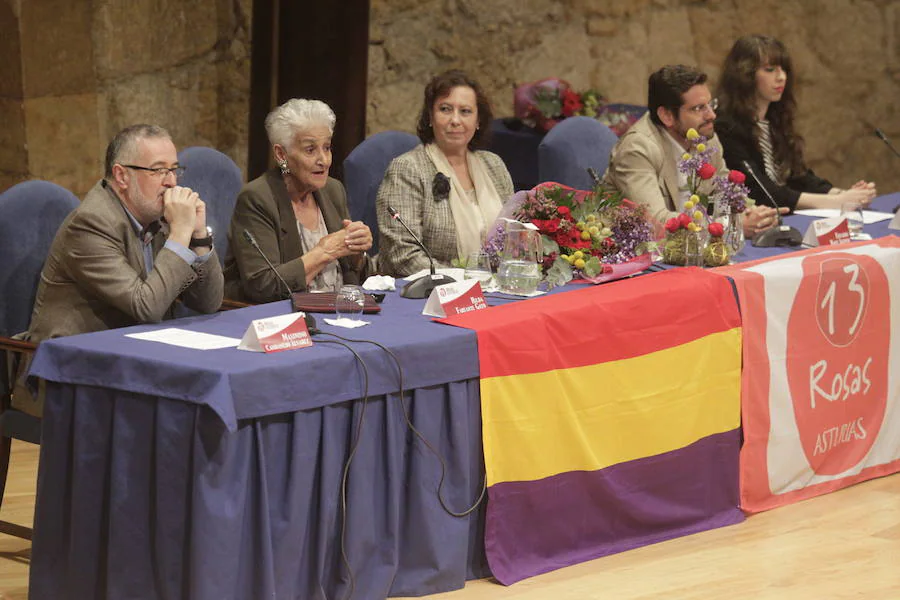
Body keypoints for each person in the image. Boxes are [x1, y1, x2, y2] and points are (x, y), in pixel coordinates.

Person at [18, 124, 224, 415]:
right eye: (158, 170)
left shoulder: (158, 215)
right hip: (72, 373)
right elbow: (147, 307)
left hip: (135, 360)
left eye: (174, 169)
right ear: (121, 175)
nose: (171, 182)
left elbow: (208, 302)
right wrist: (180, 232)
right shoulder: (90, 224)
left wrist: (199, 235)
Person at [603, 64, 783, 238]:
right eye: (698, 108)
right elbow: (656, 224)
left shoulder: (704, 136)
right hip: (641, 256)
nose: (711, 115)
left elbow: (724, 190)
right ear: (667, 116)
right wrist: (730, 225)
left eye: (711, 104)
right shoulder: (638, 149)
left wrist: (750, 214)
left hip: (692, 248)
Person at [224, 99, 372, 301]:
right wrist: (324, 252)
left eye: (327, 147)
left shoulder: (333, 190)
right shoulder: (257, 199)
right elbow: (263, 285)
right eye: (310, 150)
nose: (324, 160)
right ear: (281, 154)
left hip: (339, 313)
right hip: (286, 320)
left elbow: (353, 275)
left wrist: (357, 254)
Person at [376, 69, 514, 277]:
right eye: (445, 109)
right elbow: (402, 256)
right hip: (431, 295)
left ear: (478, 121)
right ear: (430, 117)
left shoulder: (494, 165)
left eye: (465, 111)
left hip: (495, 288)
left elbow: (515, 238)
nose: (455, 120)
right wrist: (467, 280)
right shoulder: (408, 169)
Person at [716, 35, 876, 212]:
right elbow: (763, 192)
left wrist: (842, 193)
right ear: (744, 74)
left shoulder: (774, 119)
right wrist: (837, 202)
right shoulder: (727, 127)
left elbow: (797, 176)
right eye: (770, 70)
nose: (781, 77)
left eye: (783, 69)